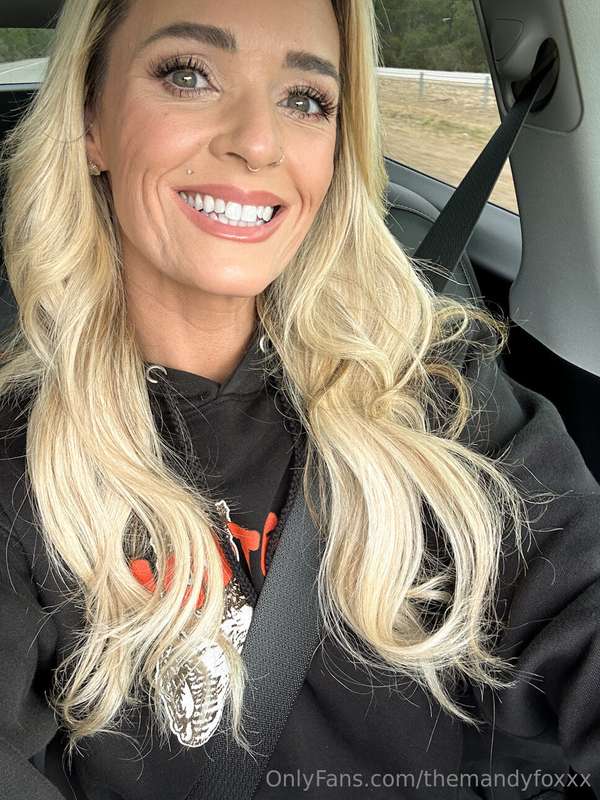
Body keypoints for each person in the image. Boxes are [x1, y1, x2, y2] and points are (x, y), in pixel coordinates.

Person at [0, 1, 598, 798]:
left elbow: (580, 589)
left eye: (306, 99)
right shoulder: (22, 459)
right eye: (189, 74)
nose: (258, 140)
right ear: (90, 122)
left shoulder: (430, 385)